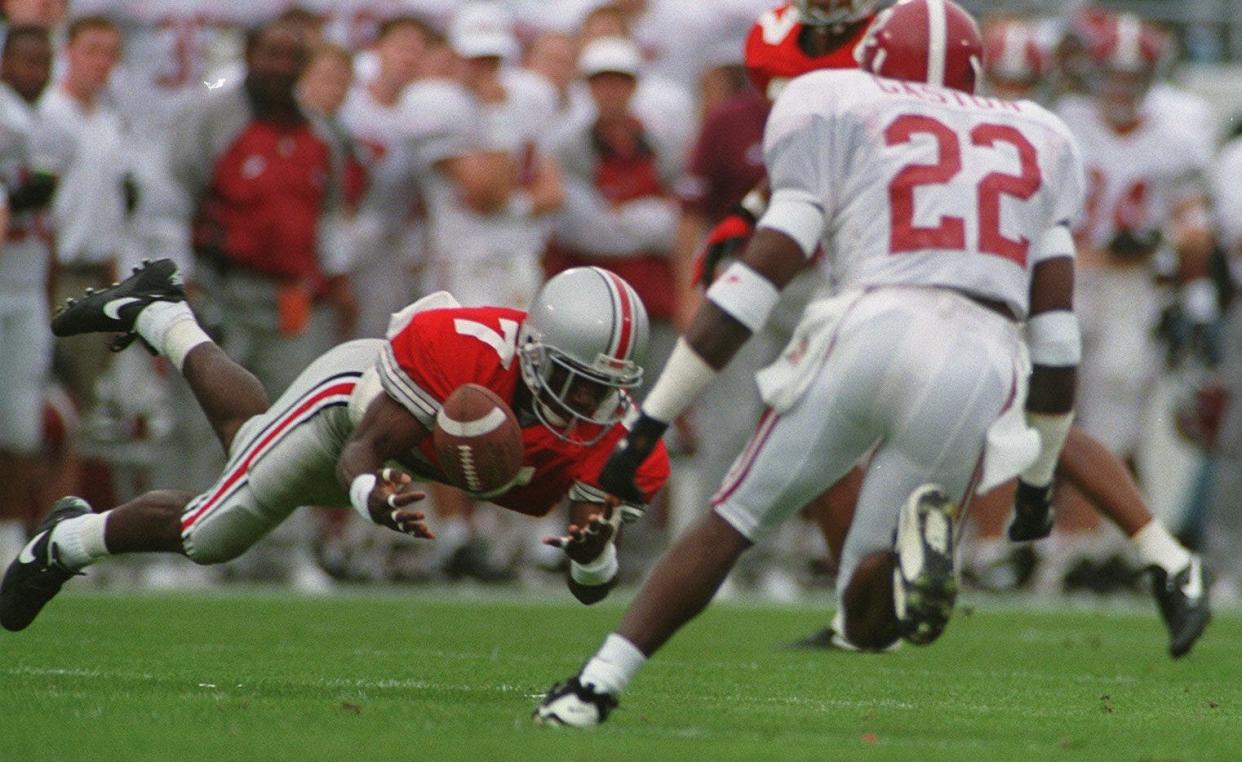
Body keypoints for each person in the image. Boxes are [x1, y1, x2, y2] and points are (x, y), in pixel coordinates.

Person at [534, 0, 1084, 726]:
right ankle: (910, 558)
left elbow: (761, 272)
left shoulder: (833, 99)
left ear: (874, 58)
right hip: (980, 359)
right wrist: (1038, 485)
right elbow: (1056, 341)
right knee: (866, 617)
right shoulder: (1039, 136)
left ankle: (594, 688)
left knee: (732, 518)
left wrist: (654, 418)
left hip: (875, 320)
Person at [0, 261, 669, 632]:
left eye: (601, 389)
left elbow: (592, 590)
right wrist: (368, 497)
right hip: (353, 407)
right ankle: (64, 542)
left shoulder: (618, 438)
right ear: (532, 351)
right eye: (572, 382)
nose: (586, 405)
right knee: (214, 531)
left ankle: (160, 314)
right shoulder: (461, 353)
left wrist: (593, 552)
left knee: (250, 446)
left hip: (409, 452)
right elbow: (363, 451)